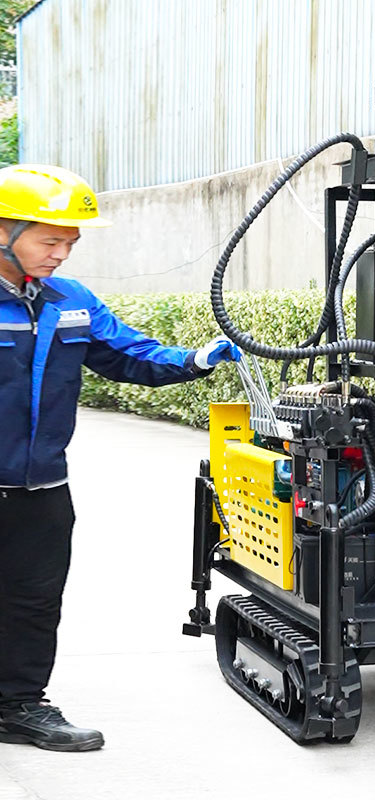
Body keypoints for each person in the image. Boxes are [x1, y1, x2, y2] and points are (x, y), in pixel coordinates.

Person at [0, 164, 240, 752]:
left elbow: (128, 354)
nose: (61, 254)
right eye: (50, 240)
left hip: (40, 488)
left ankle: (17, 706)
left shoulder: (71, 301)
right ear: (3, 231)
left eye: (70, 243)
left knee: (33, 601)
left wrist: (195, 360)